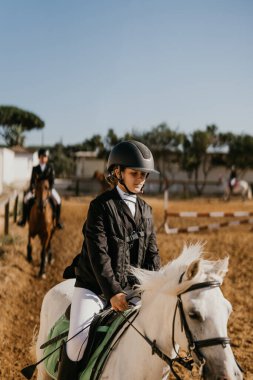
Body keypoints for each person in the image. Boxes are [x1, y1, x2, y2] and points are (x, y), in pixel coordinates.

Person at [57, 140, 161, 380]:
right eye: (134, 173)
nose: (140, 179)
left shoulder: (146, 211)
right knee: (77, 345)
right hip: (95, 288)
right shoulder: (100, 207)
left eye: (143, 174)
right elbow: (98, 255)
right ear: (117, 172)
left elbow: (152, 256)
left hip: (131, 292)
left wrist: (155, 289)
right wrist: (113, 292)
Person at [17, 148, 63, 229]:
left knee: (58, 200)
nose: (43, 158)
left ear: (47, 158)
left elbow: (52, 180)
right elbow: (32, 181)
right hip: (36, 190)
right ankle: (24, 220)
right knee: (25, 199)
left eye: (45, 157)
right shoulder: (35, 168)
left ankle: (57, 221)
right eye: (42, 157)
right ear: (39, 157)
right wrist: (32, 189)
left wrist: (50, 189)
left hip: (48, 190)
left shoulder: (50, 167)